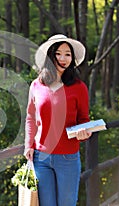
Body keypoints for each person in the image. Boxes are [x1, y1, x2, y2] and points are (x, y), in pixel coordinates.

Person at [24, 34, 92, 206]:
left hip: (68, 158)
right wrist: (28, 145)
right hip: (41, 157)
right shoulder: (36, 85)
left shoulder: (79, 87)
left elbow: (84, 119)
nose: (63, 58)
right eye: (58, 53)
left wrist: (84, 133)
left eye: (68, 54)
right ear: (50, 55)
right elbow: (31, 117)